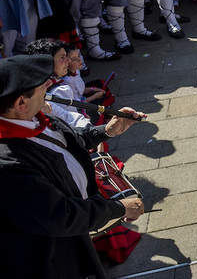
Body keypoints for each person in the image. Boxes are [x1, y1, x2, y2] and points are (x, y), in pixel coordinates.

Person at [0, 54, 145, 279]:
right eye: (41, 85)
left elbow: (69, 141)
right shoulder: (8, 164)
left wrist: (106, 130)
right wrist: (119, 208)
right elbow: (60, 215)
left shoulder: (34, 116)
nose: (50, 83)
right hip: (50, 257)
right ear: (20, 103)